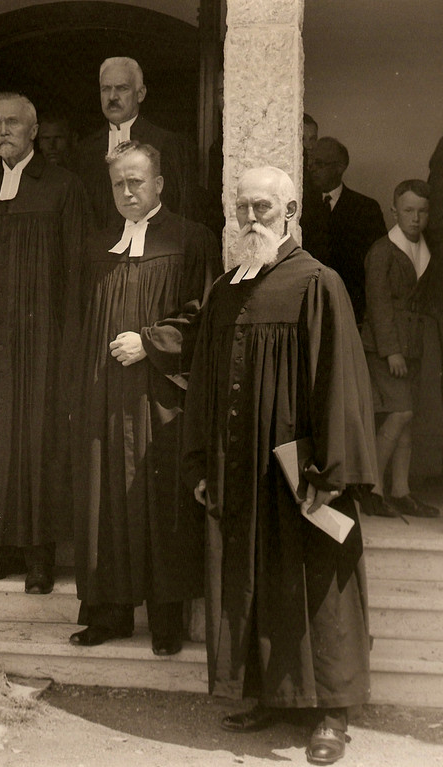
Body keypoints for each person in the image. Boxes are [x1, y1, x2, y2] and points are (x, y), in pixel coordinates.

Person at [183, 166, 377, 766]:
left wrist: (330, 471)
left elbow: (340, 380)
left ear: (292, 212)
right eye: (241, 208)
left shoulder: (319, 283)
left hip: (302, 470)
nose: (250, 219)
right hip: (241, 466)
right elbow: (206, 384)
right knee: (257, 578)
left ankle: (331, 714)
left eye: (262, 208)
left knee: (318, 587)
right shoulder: (227, 287)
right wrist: (200, 461)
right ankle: (270, 694)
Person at [70, 141, 221, 653]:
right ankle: (110, 614)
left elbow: (205, 313)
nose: (128, 191)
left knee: (158, 504)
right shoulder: (97, 244)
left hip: (160, 397)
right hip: (104, 396)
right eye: (119, 183)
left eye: (137, 181)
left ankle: (166, 623)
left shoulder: (191, 238)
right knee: (106, 500)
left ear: (159, 184)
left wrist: (150, 342)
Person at [0, 92, 88, 595]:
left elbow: (76, 272)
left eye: (13, 123)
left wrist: (70, 343)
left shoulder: (64, 187)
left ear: (32, 131)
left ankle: (41, 557)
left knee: (36, 444)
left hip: (41, 341)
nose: (3, 130)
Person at [359, 180, 440, 518]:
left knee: (408, 420)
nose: (415, 218)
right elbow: (377, 305)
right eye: (408, 210)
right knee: (400, 413)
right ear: (394, 210)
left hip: (414, 348)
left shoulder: (428, 248)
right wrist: (391, 350)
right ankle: (371, 490)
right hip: (383, 348)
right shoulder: (382, 251)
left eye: (422, 211)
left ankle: (401, 490)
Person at [72, 57, 193, 226]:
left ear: (140, 94)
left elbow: (180, 208)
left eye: (122, 88)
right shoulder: (85, 150)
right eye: (106, 89)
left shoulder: (165, 143)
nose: (112, 97)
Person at [301, 137, 386, 323]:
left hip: (350, 308)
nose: (312, 168)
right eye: (311, 163)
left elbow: (376, 266)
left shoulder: (365, 208)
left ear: (340, 168)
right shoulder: (299, 207)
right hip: (306, 306)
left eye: (320, 163)